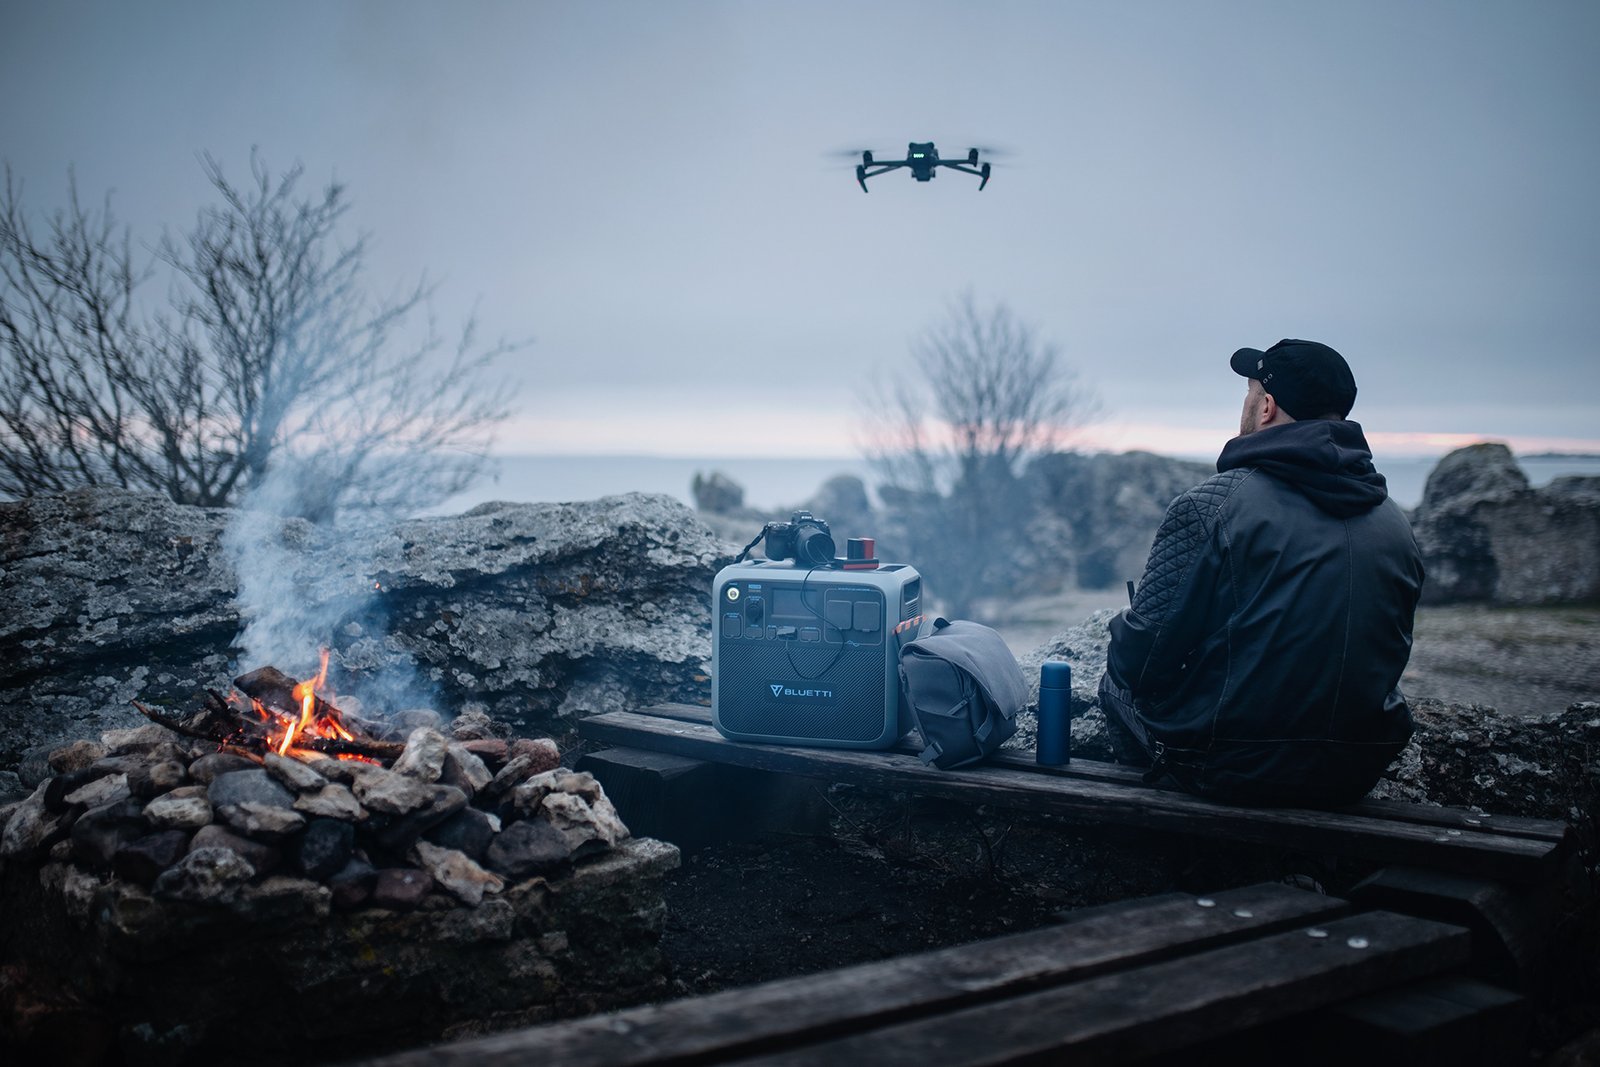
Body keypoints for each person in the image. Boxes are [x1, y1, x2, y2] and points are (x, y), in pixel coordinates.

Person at [1099, 339, 1424, 806]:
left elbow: (1140, 663)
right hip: (1357, 767)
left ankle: (1158, 841)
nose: (1247, 405)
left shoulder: (1211, 505)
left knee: (1114, 686)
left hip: (1233, 768)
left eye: (1249, 393)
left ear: (1267, 406)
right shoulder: (1395, 522)